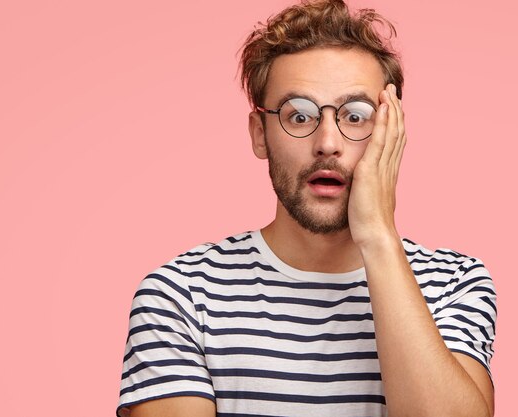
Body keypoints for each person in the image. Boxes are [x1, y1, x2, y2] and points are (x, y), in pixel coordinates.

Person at [116, 1, 497, 416]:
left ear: (394, 131)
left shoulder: (455, 283)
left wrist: (378, 235)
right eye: (299, 116)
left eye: (356, 116)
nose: (328, 142)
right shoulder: (182, 294)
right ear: (260, 134)